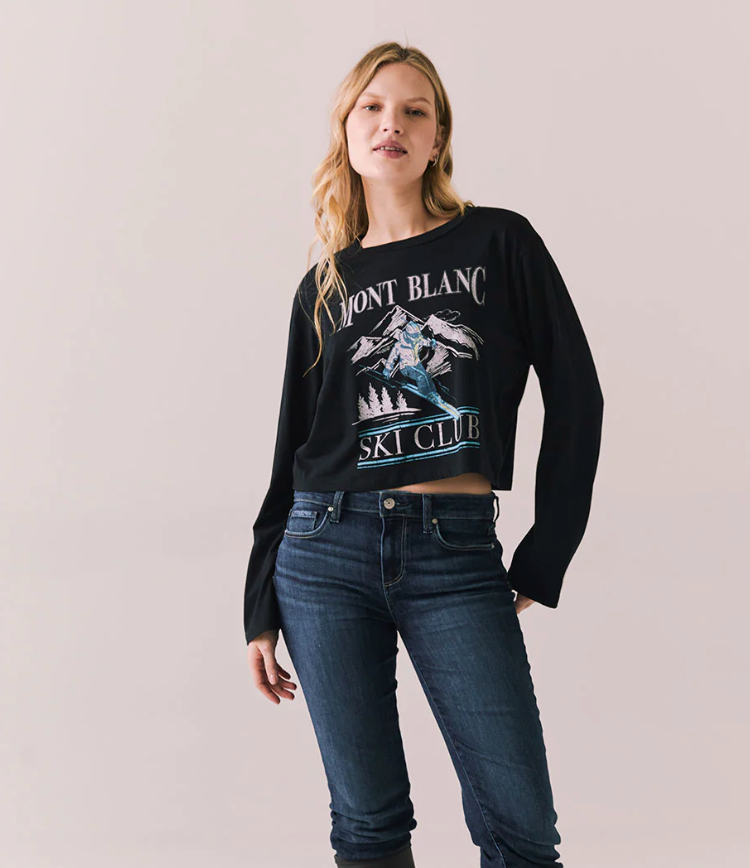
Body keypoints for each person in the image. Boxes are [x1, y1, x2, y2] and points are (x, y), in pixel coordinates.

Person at [243, 41, 604, 868]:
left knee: (521, 829)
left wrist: (549, 549)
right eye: (371, 108)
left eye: (414, 111)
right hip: (322, 550)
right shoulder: (325, 285)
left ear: (438, 137)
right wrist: (259, 602)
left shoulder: (500, 242)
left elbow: (577, 396)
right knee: (367, 825)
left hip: (454, 549)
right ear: (346, 131)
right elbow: (291, 447)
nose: (392, 125)